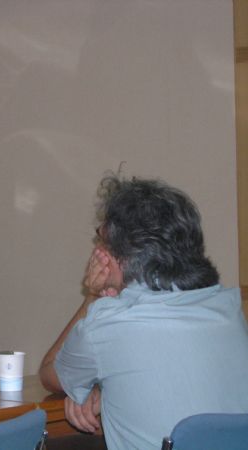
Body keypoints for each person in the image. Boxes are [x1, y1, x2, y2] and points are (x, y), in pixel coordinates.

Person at [39, 174, 248, 450]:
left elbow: (49, 374)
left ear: (120, 257)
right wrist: (105, 387)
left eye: (102, 240)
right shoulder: (229, 309)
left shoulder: (107, 324)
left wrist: (92, 297)